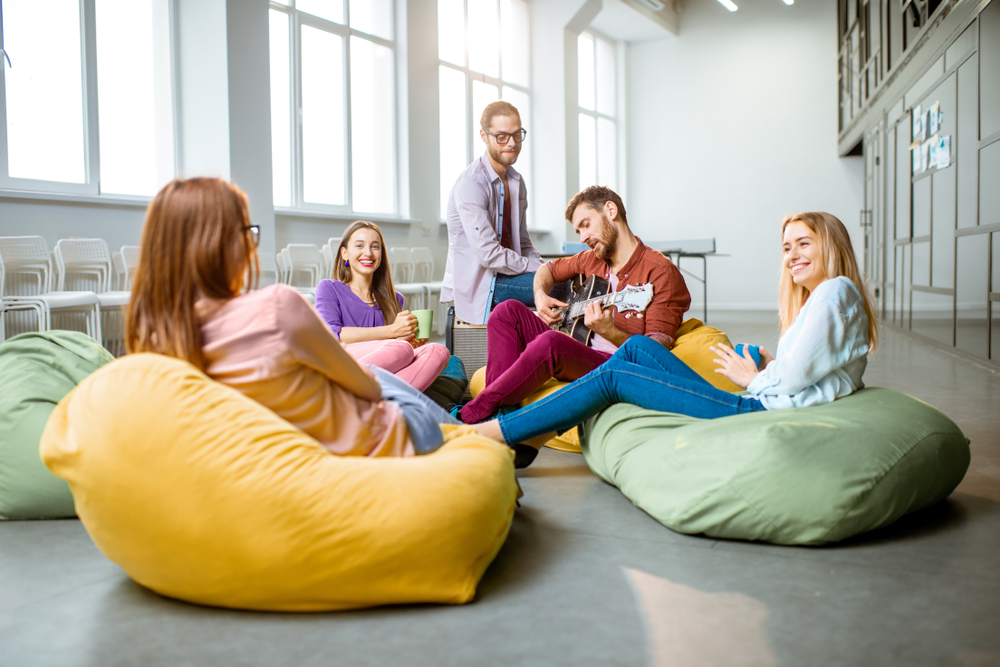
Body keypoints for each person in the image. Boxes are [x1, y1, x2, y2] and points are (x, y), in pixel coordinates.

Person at [472, 212, 879, 468]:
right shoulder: (829, 297)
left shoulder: (834, 291)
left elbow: (791, 385)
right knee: (634, 350)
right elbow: (815, 372)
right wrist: (771, 366)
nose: (791, 256)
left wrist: (753, 379)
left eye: (804, 244)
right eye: (787, 247)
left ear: (831, 245)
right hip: (758, 400)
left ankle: (496, 432)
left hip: (753, 411)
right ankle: (530, 432)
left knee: (615, 377)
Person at [126, 177, 458, 458]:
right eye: (247, 231)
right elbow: (363, 384)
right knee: (388, 372)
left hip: (316, 428)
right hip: (383, 430)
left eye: (375, 247)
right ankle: (475, 433)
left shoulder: (156, 340)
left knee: (432, 355)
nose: (251, 245)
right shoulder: (279, 305)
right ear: (221, 244)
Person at [454, 185, 691, 425]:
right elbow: (546, 269)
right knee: (506, 311)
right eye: (578, 231)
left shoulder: (660, 272)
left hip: (615, 366)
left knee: (552, 343)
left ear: (611, 210)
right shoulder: (592, 259)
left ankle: (470, 414)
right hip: (578, 349)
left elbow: (656, 356)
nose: (582, 238)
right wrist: (540, 296)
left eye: (586, 225)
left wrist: (610, 331)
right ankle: (501, 417)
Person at [315, 221, 450, 392]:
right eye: (359, 245)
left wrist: (410, 341)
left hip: (381, 372)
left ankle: (376, 402)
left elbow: (391, 355)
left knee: (438, 351)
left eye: (375, 247)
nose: (368, 253)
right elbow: (333, 335)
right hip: (340, 362)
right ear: (344, 253)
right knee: (401, 350)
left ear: (381, 256)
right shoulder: (329, 288)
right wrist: (393, 332)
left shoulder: (394, 299)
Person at [442, 100, 543, 324]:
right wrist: (545, 272)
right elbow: (489, 255)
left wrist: (545, 267)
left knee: (570, 279)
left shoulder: (517, 182)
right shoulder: (471, 184)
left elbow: (523, 243)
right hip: (484, 285)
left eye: (517, 135)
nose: (512, 143)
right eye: (502, 136)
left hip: (511, 275)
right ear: (484, 136)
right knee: (562, 286)